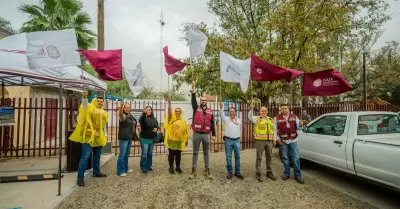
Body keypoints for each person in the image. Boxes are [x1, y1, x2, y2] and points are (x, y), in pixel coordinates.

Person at [69, 90, 108, 186]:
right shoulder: (90, 107)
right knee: (85, 157)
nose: (100, 102)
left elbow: (103, 125)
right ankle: (80, 178)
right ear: (95, 101)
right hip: (88, 137)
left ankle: (96, 172)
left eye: (101, 101)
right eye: (98, 101)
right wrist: (85, 97)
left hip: (98, 137)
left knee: (97, 156)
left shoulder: (104, 112)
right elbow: (84, 105)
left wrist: (105, 135)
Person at [189, 80, 216, 179]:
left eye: (205, 100)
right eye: (202, 100)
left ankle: (207, 170)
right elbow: (193, 101)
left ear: (206, 101)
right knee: (195, 152)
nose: (203, 101)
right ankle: (193, 170)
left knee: (206, 152)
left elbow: (212, 122)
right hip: (196, 134)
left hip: (206, 134)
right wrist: (193, 92)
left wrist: (213, 134)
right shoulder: (196, 108)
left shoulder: (210, 111)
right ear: (200, 101)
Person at [274, 104, 305, 184]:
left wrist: (301, 124)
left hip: (293, 140)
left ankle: (297, 175)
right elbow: (274, 130)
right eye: (282, 109)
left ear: (288, 109)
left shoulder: (294, 117)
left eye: (286, 108)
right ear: (280, 110)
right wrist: (277, 139)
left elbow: (298, 127)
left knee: (296, 158)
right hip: (283, 141)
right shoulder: (276, 118)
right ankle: (286, 173)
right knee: (285, 158)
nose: (284, 110)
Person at [248, 103, 277, 182]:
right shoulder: (256, 118)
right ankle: (258, 172)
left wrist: (274, 139)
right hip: (260, 141)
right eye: (262, 111)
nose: (264, 112)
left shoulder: (271, 119)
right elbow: (250, 117)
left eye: (265, 110)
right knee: (259, 157)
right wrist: (251, 109)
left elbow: (274, 130)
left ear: (267, 111)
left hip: (269, 141)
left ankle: (269, 172)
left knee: (269, 157)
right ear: (260, 112)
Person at [164, 95, 188, 174]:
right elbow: (169, 112)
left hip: (179, 140)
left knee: (178, 154)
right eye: (176, 111)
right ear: (175, 112)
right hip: (171, 140)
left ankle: (178, 167)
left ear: (181, 113)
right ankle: (171, 167)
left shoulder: (183, 121)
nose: (178, 112)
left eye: (179, 111)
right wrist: (169, 103)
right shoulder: (171, 118)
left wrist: (186, 140)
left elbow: (185, 131)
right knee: (171, 154)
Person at [219, 102, 244, 180]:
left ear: (235, 112)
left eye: (233, 112)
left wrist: (239, 137)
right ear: (228, 113)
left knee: (238, 157)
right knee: (228, 157)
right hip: (228, 141)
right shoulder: (226, 119)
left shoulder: (238, 120)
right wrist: (221, 107)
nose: (232, 113)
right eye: (230, 112)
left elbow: (240, 129)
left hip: (237, 140)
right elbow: (221, 115)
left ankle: (237, 172)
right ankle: (229, 172)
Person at [117, 101, 137, 177]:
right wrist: (121, 106)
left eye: (129, 107)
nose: (128, 109)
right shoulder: (123, 116)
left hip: (129, 137)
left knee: (126, 154)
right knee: (122, 155)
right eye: (126, 107)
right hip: (123, 138)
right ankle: (120, 171)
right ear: (124, 108)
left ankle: (125, 168)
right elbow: (120, 114)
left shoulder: (130, 116)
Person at [138, 106, 159, 173]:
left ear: (151, 111)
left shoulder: (153, 118)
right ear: (145, 111)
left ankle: (149, 166)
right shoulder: (143, 118)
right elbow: (140, 119)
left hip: (152, 138)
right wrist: (143, 114)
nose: (148, 111)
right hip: (144, 139)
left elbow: (157, 125)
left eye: (150, 110)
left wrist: (156, 129)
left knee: (150, 154)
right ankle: (143, 167)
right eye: (147, 110)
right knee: (144, 154)